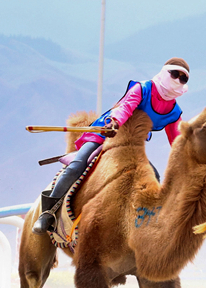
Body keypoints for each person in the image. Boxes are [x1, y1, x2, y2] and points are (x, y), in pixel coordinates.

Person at [33, 58, 190, 235]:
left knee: (154, 176)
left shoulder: (174, 111)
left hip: (131, 144)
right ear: (165, 72)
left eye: (183, 78)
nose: (177, 80)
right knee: (77, 165)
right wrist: (115, 122)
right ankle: (48, 213)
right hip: (108, 133)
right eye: (174, 74)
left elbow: (178, 141)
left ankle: (148, 225)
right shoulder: (142, 89)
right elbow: (125, 107)